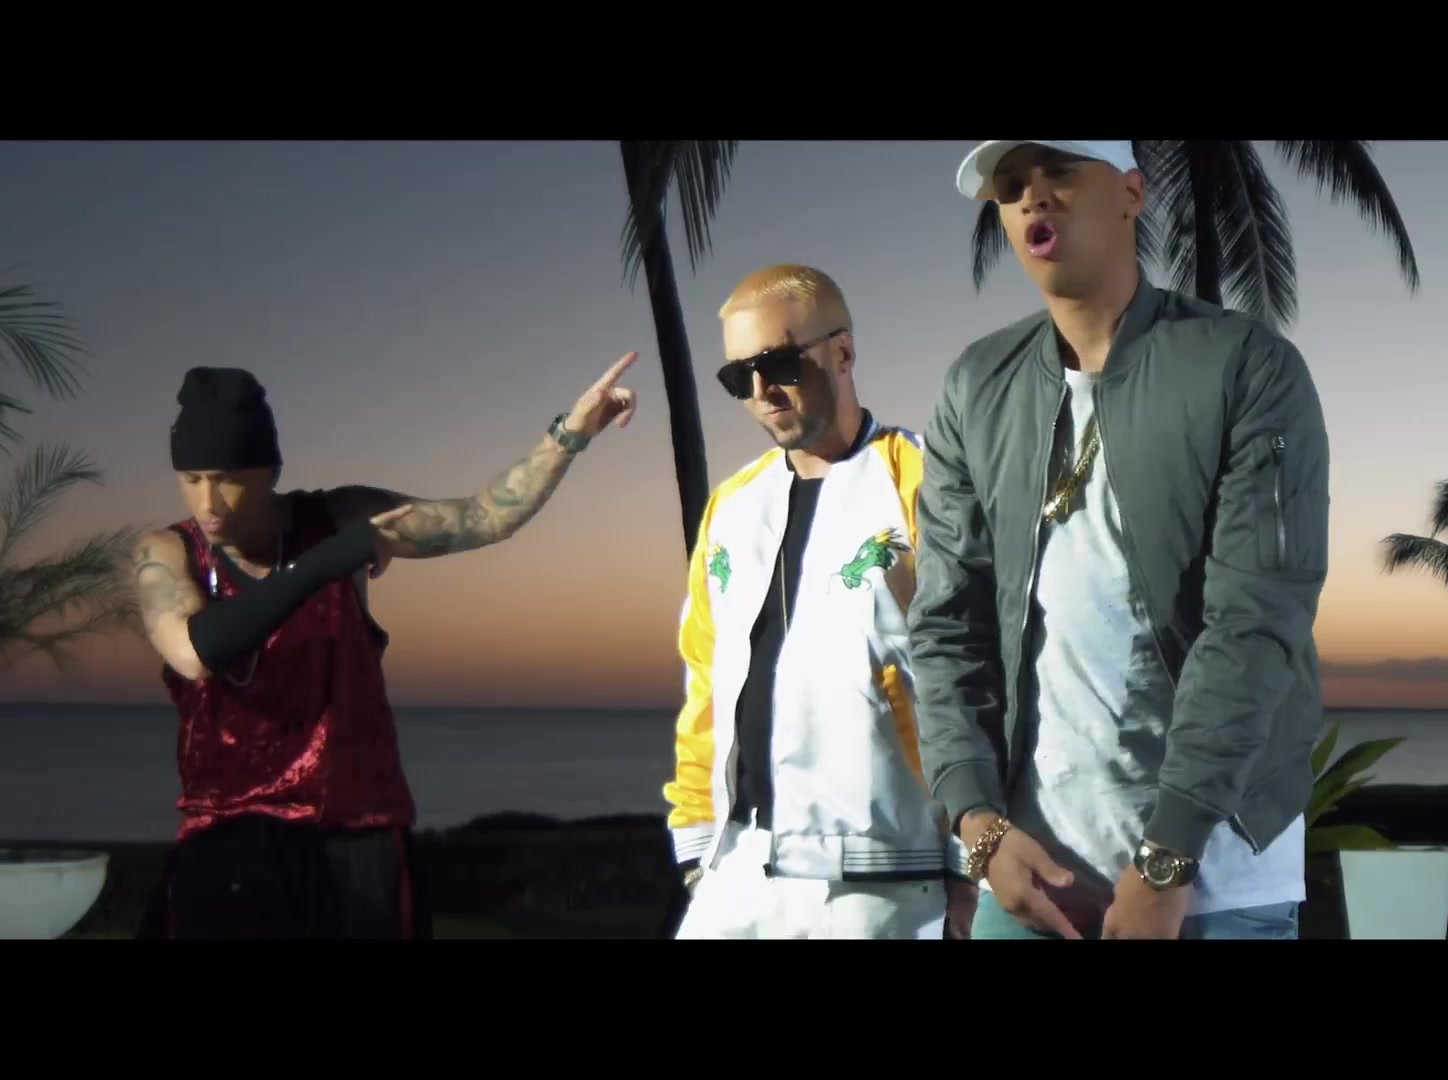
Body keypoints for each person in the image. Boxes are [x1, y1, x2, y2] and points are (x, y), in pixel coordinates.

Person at [909, 140, 1331, 940]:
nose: (1033, 197)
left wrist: (1170, 856)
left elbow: (1256, 619)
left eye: (1060, 171)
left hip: (1213, 880)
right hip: (1032, 879)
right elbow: (946, 626)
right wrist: (979, 825)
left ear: (1133, 194)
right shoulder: (976, 385)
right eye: (1012, 185)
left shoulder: (1247, 365)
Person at [130, 354, 640, 939]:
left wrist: (569, 434)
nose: (209, 504)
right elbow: (194, 653)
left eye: (229, 480)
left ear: (269, 472)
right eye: (192, 480)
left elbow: (484, 517)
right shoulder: (166, 553)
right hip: (228, 842)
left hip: (359, 837)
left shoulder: (341, 516)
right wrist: (332, 559)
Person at [663, 263, 974, 939]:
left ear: (843, 353)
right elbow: (706, 677)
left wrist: (969, 862)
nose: (761, 392)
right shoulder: (731, 507)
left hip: (887, 875)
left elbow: (982, 674)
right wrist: (695, 843)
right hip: (736, 868)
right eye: (738, 377)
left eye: (778, 364)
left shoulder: (925, 482)